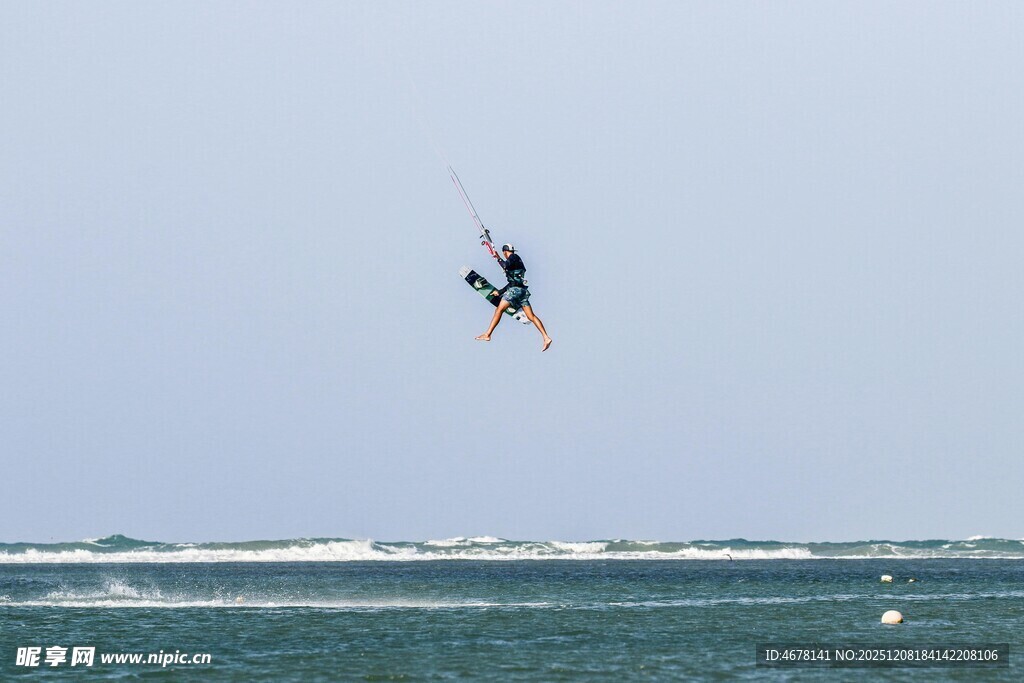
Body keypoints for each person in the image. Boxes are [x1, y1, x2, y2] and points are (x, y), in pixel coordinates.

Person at [476, 243, 552, 351]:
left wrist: (498, 259)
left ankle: (488, 334)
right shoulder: (517, 262)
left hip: (514, 291)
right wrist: (500, 292)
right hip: (522, 291)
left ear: (505, 252)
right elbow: (513, 280)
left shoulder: (513, 257)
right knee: (531, 317)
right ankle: (546, 337)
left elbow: (506, 265)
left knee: (499, 310)